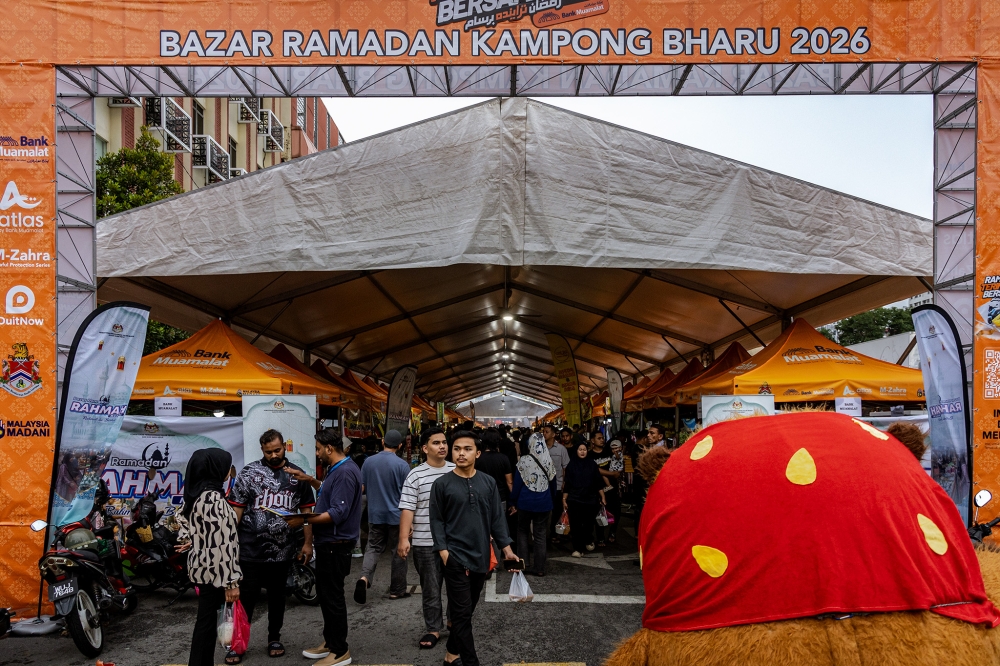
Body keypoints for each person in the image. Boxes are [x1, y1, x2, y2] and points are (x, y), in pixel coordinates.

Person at [430, 430, 517, 666]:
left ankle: (451, 654)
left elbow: (497, 519)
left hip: (480, 555)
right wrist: (444, 552)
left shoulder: (487, 483)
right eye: (457, 448)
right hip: (454, 557)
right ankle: (470, 662)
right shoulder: (442, 484)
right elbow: (436, 520)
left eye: (467, 449)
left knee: (467, 611)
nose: (461, 453)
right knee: (460, 614)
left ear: (477, 453)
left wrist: (507, 549)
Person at [227, 429, 315, 662]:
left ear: (284, 446)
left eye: (277, 450)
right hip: (250, 549)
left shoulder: (298, 475)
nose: (274, 455)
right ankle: (237, 644)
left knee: (278, 597)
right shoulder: (249, 473)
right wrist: (228, 542)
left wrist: (308, 543)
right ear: (262, 450)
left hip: (283, 550)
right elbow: (237, 509)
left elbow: (306, 511)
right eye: (268, 452)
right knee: (245, 599)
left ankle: (274, 637)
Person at [297, 428, 363, 666]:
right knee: (326, 596)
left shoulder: (345, 472)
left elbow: (338, 512)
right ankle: (330, 641)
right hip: (329, 544)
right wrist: (312, 481)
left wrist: (303, 520)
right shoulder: (338, 470)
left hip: (336, 545)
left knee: (333, 598)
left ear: (329, 448)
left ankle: (340, 650)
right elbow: (331, 493)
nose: (316, 454)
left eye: (317, 449)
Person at [175, 449, 242, 666]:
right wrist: (231, 583)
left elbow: (183, 519)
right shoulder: (213, 498)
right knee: (205, 624)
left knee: (205, 622)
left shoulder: (197, 493)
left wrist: (194, 539)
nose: (228, 471)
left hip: (203, 569)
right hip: (216, 573)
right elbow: (224, 544)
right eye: (226, 466)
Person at [397, 428, 455, 650]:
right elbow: (407, 509)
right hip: (424, 541)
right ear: (424, 448)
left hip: (453, 542)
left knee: (456, 586)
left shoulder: (456, 470)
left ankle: (453, 621)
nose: (442, 446)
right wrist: (403, 539)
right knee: (431, 588)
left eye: (444, 442)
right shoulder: (416, 474)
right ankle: (433, 628)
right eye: (436, 443)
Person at [356, 429, 411, 603]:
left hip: (375, 514)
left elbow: (362, 488)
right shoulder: (403, 465)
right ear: (400, 446)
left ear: (382, 442)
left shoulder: (368, 462)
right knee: (398, 551)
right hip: (397, 516)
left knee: (372, 548)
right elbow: (408, 495)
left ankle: (364, 578)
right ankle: (397, 590)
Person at [510, 432, 555, 576]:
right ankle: (540, 568)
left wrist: (513, 502)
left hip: (525, 502)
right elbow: (553, 485)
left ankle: (523, 563)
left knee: (522, 531)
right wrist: (551, 499)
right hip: (544, 503)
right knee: (540, 534)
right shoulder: (548, 460)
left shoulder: (523, 461)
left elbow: (517, 485)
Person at [562, 441, 606, 558]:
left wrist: (602, 496)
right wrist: (564, 499)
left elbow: (598, 483)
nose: (582, 451)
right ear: (576, 451)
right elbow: (568, 484)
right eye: (580, 449)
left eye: (584, 449)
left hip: (590, 500)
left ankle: (588, 539)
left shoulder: (592, 464)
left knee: (588, 524)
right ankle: (577, 548)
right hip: (574, 499)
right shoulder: (571, 465)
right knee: (575, 526)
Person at [588, 432, 622, 546]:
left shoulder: (608, 452)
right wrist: (611, 473)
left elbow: (618, 462)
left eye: (602, 438)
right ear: (592, 440)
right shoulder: (590, 455)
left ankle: (612, 532)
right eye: (599, 438)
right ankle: (600, 537)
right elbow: (594, 469)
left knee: (615, 511)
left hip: (613, 487)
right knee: (599, 512)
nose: (602, 440)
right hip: (598, 488)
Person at [542, 424, 570, 540]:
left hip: (557, 485)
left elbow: (566, 467)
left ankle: (554, 533)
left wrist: (564, 482)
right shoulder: (540, 449)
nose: (544, 434)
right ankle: (542, 534)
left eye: (547, 432)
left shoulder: (561, 449)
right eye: (543, 432)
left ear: (553, 434)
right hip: (543, 486)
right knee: (543, 512)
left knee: (556, 511)